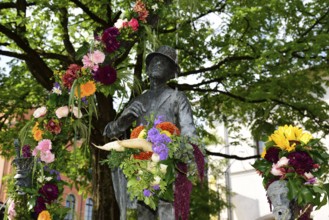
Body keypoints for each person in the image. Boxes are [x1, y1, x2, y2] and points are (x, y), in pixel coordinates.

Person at [103, 45, 197, 220]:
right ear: (146, 69)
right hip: (141, 167)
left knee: (167, 210)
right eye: (153, 61)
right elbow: (109, 131)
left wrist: (184, 156)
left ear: (171, 73)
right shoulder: (139, 99)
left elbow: (189, 131)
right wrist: (123, 120)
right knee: (143, 213)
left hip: (168, 165)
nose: (156, 64)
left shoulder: (177, 97)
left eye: (162, 62)